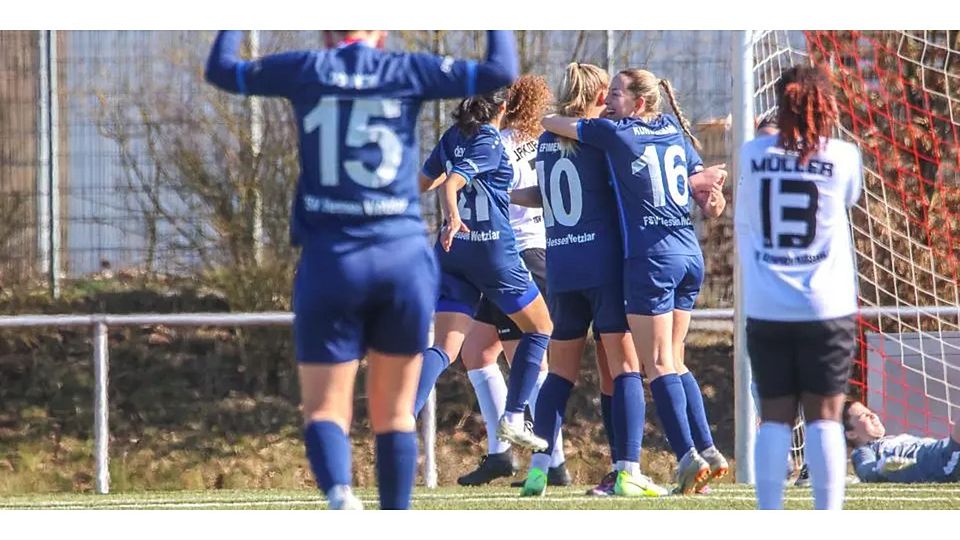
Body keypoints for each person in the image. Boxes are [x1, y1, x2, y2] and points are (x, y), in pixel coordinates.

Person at [205, 29, 518, 510]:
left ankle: (339, 493)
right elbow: (500, 71)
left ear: (327, 31)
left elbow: (222, 70)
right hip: (400, 258)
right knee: (395, 412)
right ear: (381, 31)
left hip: (333, 259)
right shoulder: (406, 69)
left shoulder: (307, 69)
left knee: (327, 407)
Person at [541, 68, 728, 495]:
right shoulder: (675, 134)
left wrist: (547, 117)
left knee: (656, 363)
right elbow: (710, 203)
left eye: (616, 95)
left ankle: (686, 458)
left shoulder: (617, 134)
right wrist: (710, 194)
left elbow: (557, 124)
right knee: (676, 359)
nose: (608, 102)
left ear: (639, 103)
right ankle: (709, 448)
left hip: (652, 259)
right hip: (688, 255)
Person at [508, 63, 663, 497]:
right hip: (603, 266)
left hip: (561, 267)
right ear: (599, 97)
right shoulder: (603, 141)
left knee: (559, 375)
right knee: (626, 367)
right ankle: (628, 467)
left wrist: (502, 195)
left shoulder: (545, 141)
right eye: (609, 93)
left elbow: (545, 194)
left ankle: (539, 470)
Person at [735, 64, 864, 510]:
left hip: (767, 304)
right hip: (825, 306)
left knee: (773, 418)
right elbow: (846, 197)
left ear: (779, 101)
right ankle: (826, 521)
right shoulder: (844, 156)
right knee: (825, 418)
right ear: (825, 104)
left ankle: (770, 519)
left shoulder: (750, 154)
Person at [414, 89, 555, 454]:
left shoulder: (453, 135)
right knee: (540, 328)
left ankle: (400, 417)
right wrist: (453, 215)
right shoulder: (490, 142)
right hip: (490, 251)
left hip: (453, 254)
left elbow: (424, 181)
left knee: (445, 347)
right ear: (504, 107)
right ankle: (513, 417)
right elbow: (451, 184)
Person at [456, 75, 571, 487]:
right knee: (477, 352)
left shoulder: (497, 143)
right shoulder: (543, 137)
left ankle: (553, 458)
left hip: (518, 253)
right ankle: (499, 453)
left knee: (523, 357)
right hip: (525, 253)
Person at [845, 400, 960, 483]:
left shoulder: (892, 439)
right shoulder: (865, 449)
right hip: (941, 462)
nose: (873, 415)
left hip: (945, 451)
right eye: (864, 415)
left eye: (870, 411)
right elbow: (866, 470)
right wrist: (882, 467)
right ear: (851, 434)